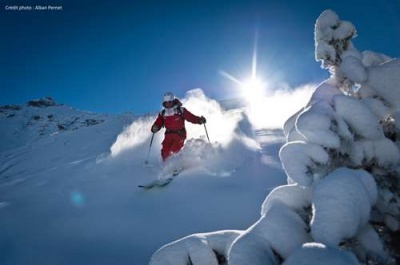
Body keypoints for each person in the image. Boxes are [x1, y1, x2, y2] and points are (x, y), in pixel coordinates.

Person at [151, 92, 206, 161]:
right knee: (164, 152)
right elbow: (159, 122)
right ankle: (167, 166)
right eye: (166, 102)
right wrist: (155, 127)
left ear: (173, 101)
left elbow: (191, 117)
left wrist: (199, 120)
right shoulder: (163, 113)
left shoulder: (180, 110)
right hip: (168, 135)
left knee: (174, 150)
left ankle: (177, 165)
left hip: (179, 134)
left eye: (169, 102)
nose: (168, 104)